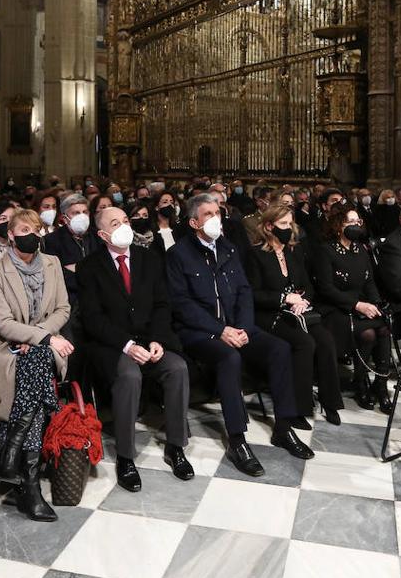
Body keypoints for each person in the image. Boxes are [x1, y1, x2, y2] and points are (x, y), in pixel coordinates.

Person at [165, 193, 314, 477]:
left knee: (279, 348)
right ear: (194, 222)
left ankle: (283, 427)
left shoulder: (229, 249)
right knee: (229, 358)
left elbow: (244, 291)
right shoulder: (179, 255)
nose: (215, 219)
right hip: (201, 333)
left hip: (237, 327)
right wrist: (221, 330)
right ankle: (237, 440)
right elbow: (181, 304)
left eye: (217, 213)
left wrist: (243, 327)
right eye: (208, 214)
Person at [78, 207, 193, 492]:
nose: (124, 226)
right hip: (113, 345)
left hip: (149, 339)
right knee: (130, 377)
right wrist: (127, 345)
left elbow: (162, 305)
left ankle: (176, 447)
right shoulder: (90, 266)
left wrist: (157, 340)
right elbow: (93, 319)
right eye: (115, 223)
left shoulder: (149, 259)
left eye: (126, 221)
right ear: (103, 234)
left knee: (177, 368)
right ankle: (126, 457)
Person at [0, 209, 74, 521]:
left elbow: (63, 308)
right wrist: (45, 339)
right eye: (23, 228)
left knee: (35, 361)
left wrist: (38, 339)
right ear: (10, 234)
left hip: (42, 349)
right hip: (7, 351)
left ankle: (12, 456)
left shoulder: (53, 263)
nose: (31, 234)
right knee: (36, 370)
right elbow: (4, 324)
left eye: (36, 228)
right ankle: (29, 483)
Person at [245, 205, 342, 426]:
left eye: (290, 224)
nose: (288, 229)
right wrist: (284, 298)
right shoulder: (256, 254)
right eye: (283, 224)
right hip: (269, 314)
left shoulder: (294, 251)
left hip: (298, 312)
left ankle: (330, 402)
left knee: (326, 340)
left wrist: (303, 300)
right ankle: (299, 407)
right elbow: (253, 293)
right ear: (269, 226)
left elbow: (308, 284)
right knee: (304, 343)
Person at [313, 205, 393, 413]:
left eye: (358, 222)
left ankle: (381, 384)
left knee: (384, 328)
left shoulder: (361, 250)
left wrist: (376, 303)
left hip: (361, 305)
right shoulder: (325, 250)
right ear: (339, 226)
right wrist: (357, 305)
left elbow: (369, 282)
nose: (356, 226)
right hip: (334, 308)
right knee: (367, 334)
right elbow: (325, 288)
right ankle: (360, 382)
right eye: (350, 222)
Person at [43, 192, 98, 302]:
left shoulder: (97, 236)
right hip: (70, 300)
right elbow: (57, 274)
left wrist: (77, 268)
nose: (82, 216)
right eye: (76, 213)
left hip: (98, 296)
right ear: (65, 217)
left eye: (85, 212)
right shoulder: (51, 240)